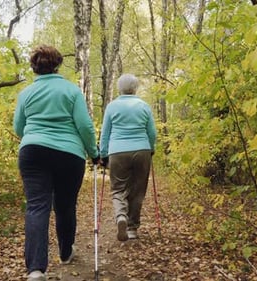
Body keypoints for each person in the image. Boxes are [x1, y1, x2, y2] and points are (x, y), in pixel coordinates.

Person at [13, 45, 99, 281]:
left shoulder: (26, 93)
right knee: (65, 204)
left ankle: (35, 269)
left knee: (36, 206)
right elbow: (84, 126)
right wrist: (94, 152)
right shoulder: (71, 91)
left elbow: (18, 127)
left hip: (32, 152)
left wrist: (35, 138)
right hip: (69, 153)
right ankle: (65, 252)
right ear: (58, 64)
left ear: (35, 66)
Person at [99, 73, 157, 241]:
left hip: (117, 151)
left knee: (118, 188)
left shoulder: (112, 106)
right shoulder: (144, 106)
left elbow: (105, 133)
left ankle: (120, 216)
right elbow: (152, 132)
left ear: (119, 88)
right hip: (142, 150)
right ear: (135, 88)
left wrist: (103, 154)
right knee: (138, 190)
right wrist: (151, 148)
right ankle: (132, 228)